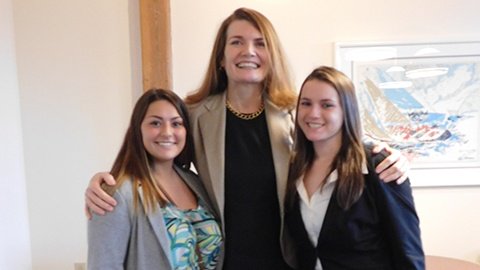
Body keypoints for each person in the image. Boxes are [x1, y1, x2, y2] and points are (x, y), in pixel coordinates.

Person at [85, 8, 409, 270]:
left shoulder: (296, 113)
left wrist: (393, 156)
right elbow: (162, 164)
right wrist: (104, 183)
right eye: (237, 42)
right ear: (221, 57)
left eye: (259, 43)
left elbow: (342, 145)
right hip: (226, 261)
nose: (248, 51)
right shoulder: (195, 116)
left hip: (289, 261)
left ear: (271, 55)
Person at [284, 66, 424, 269]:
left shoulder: (379, 165)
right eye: (306, 103)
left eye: (327, 105)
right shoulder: (293, 169)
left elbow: (407, 251)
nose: (313, 113)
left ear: (346, 110)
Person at [87, 89, 222, 270]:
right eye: (155, 123)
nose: (167, 132)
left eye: (176, 124)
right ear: (138, 129)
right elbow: (104, 265)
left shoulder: (196, 182)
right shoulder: (116, 193)